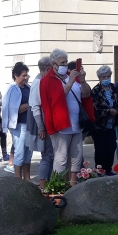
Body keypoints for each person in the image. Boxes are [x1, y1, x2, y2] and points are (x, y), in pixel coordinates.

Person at [40, 48, 94, 186]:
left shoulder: (72, 76)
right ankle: (57, 186)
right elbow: (56, 99)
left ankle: (73, 185)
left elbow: (86, 95)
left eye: (66, 62)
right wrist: (70, 82)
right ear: (53, 64)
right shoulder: (47, 80)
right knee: (61, 158)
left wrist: (82, 81)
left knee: (76, 157)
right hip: (61, 125)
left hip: (77, 124)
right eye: (62, 63)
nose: (65, 65)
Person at [26, 55, 54, 189]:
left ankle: (46, 183)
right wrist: (41, 127)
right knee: (48, 155)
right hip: (42, 124)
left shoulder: (42, 80)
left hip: (45, 123)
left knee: (49, 155)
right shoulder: (38, 82)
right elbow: (36, 107)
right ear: (48, 68)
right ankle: (43, 185)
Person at [1, 62, 32, 180]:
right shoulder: (12, 89)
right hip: (19, 125)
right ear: (16, 75)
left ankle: (27, 179)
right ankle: (18, 180)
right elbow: (12, 110)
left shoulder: (28, 88)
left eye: (26, 75)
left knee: (28, 152)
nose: (26, 78)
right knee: (20, 152)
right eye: (23, 75)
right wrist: (29, 105)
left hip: (29, 124)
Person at [91, 65, 118, 175]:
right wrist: (108, 111)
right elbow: (95, 109)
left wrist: (115, 111)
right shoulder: (95, 90)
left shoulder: (113, 88)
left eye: (108, 76)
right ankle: (100, 171)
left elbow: (117, 102)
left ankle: (108, 169)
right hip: (100, 125)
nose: (106, 79)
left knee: (111, 147)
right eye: (103, 77)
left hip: (112, 124)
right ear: (99, 78)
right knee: (101, 149)